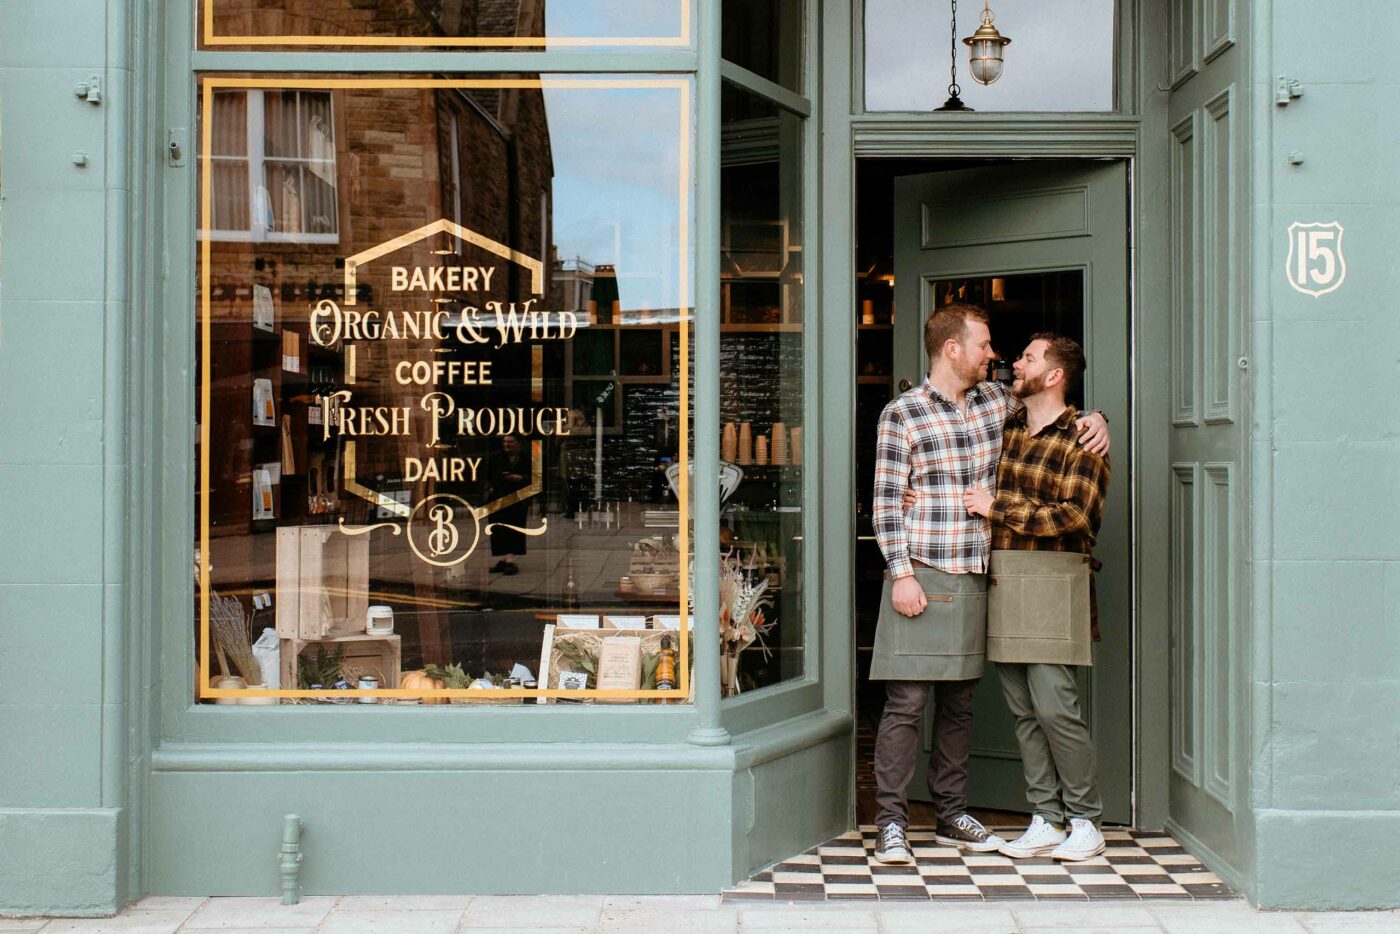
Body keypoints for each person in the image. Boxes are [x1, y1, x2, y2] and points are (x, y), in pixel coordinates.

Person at [870, 305, 1109, 865]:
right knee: (907, 703)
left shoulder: (997, 404)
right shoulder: (902, 413)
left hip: (982, 574)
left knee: (960, 705)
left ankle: (951, 814)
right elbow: (886, 501)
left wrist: (1098, 417)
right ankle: (891, 823)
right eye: (984, 345)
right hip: (922, 571)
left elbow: (1055, 406)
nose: (995, 355)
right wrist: (901, 573)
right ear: (952, 349)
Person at [962, 334, 1110, 862]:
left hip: (1053, 579)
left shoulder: (1083, 439)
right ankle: (1046, 818)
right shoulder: (1008, 426)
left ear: (1054, 375)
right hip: (1005, 575)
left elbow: (1076, 517)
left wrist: (997, 508)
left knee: (1055, 709)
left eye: (1028, 358)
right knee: (1024, 711)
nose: (1016, 364)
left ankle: (1086, 821)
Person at [487, 434, 530, 575]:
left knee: (514, 527)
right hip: (498, 497)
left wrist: (521, 478)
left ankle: (509, 560)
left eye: (510, 442)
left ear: (518, 444)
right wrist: (490, 488)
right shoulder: (495, 457)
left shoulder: (527, 458)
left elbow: (536, 478)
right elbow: (486, 475)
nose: (506, 444)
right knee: (498, 528)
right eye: (505, 441)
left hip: (517, 498)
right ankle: (506, 559)